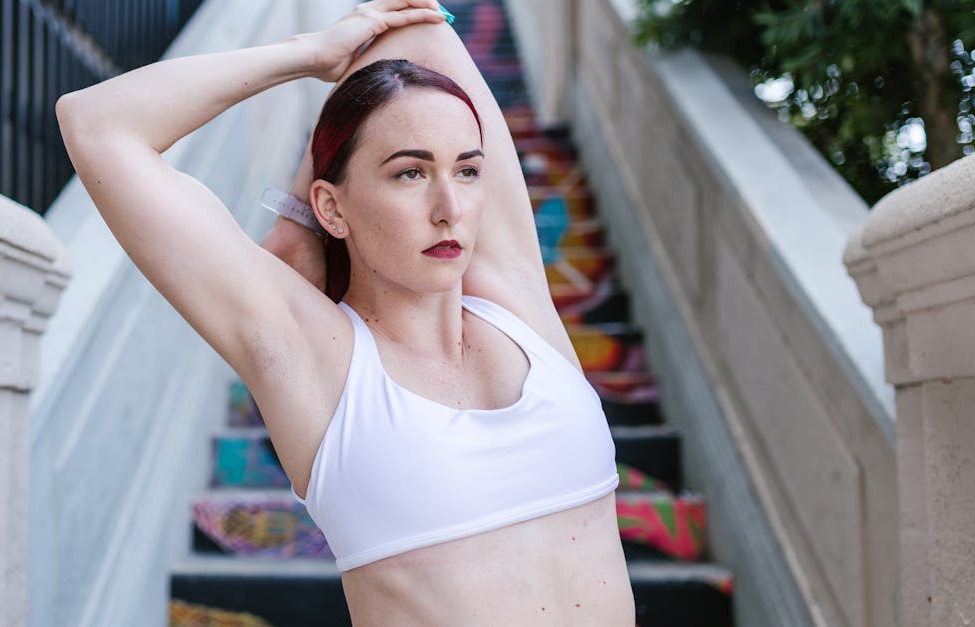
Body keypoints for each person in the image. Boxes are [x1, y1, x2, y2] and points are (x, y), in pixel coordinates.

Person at [56, 1, 633, 624]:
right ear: (335, 206)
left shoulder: (513, 301)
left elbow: (419, 24)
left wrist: (308, 214)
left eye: (467, 170)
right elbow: (95, 123)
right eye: (409, 173)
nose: (450, 208)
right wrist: (310, 55)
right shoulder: (316, 359)